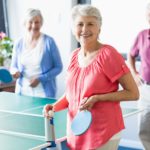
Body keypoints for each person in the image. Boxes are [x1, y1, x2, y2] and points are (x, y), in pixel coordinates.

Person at [43, 4, 139, 150]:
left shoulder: (108, 54)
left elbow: (133, 93)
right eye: (80, 24)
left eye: (90, 24)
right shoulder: (73, 56)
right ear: (73, 28)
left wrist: (98, 98)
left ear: (99, 28)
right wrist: (54, 107)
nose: (84, 29)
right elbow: (71, 95)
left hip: (103, 130)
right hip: (77, 130)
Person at [10, 8, 63, 98]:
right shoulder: (19, 43)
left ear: (41, 23)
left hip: (44, 93)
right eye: (30, 22)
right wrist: (15, 72)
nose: (34, 25)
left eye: (37, 22)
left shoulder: (49, 42)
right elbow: (13, 66)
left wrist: (40, 78)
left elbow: (58, 67)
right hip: (22, 91)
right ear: (25, 23)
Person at [128, 3, 150, 150]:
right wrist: (134, 73)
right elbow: (131, 55)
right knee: (143, 127)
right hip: (146, 89)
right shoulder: (142, 35)